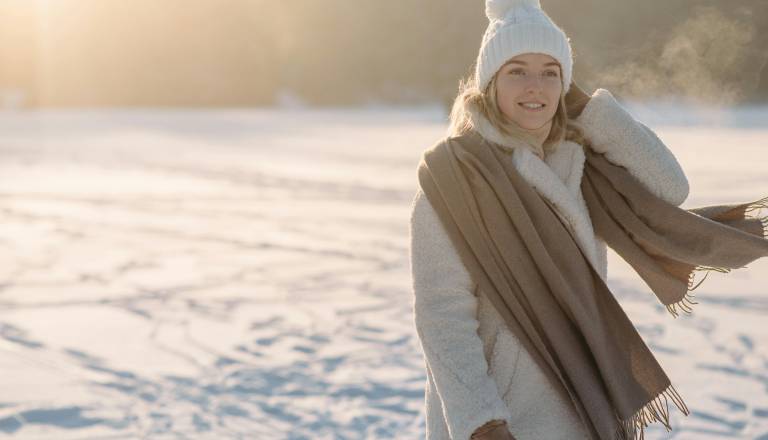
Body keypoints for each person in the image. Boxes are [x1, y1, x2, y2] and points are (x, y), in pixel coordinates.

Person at [408, 0, 690, 439]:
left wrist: (587, 108)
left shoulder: (578, 165)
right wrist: (483, 424)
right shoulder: (454, 180)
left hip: (583, 406)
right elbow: (443, 316)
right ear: (490, 82)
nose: (534, 86)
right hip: (504, 418)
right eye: (517, 71)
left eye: (550, 72)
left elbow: (671, 188)